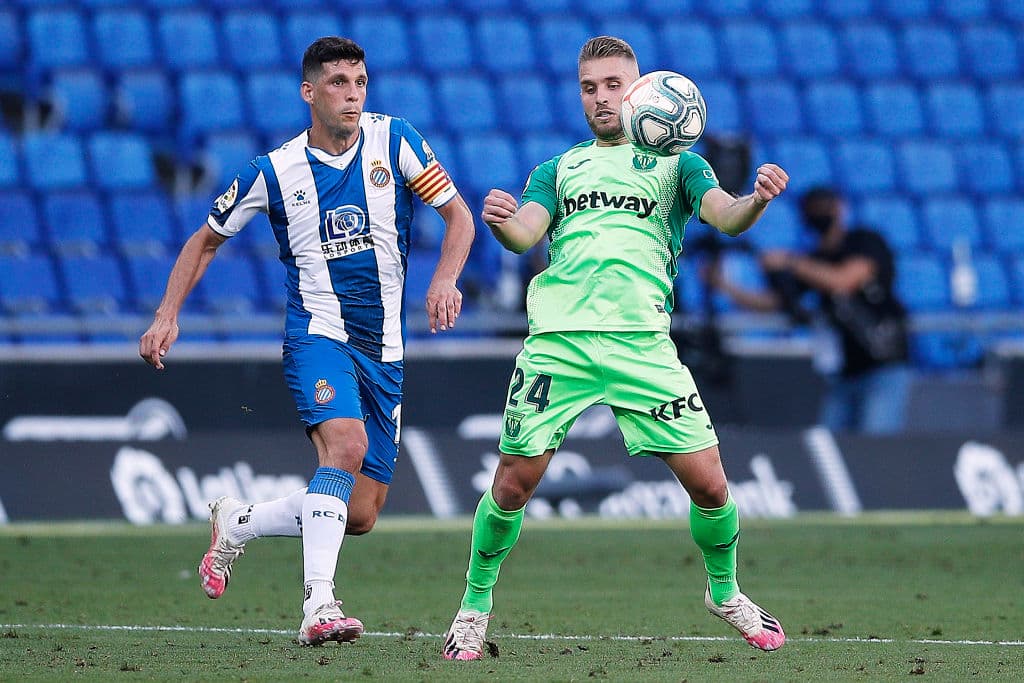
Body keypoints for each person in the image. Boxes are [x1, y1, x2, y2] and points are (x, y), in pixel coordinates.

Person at [441, 36, 789, 661]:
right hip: (558, 345)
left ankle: (726, 592)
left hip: (643, 346)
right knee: (514, 485)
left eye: (612, 85)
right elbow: (525, 235)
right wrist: (499, 220)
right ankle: (473, 607)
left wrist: (757, 200)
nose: (601, 98)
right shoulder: (559, 169)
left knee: (711, 486)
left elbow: (726, 216)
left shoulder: (681, 164)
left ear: (641, 89)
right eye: (589, 87)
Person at [139, 37, 474, 646]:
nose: (353, 94)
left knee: (363, 514)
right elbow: (204, 240)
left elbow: (459, 216)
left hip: (386, 350)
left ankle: (238, 522)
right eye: (340, 82)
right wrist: (167, 314)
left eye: (361, 82)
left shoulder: (396, 140)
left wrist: (445, 276)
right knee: (343, 447)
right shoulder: (274, 171)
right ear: (309, 91)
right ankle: (319, 605)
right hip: (317, 335)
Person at [708, 186, 911, 434]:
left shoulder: (864, 242)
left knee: (877, 441)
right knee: (833, 441)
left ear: (839, 208)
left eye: (824, 207)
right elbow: (774, 303)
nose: (819, 215)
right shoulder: (815, 258)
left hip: (883, 364)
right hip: (845, 371)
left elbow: (843, 281)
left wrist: (790, 262)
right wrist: (724, 286)